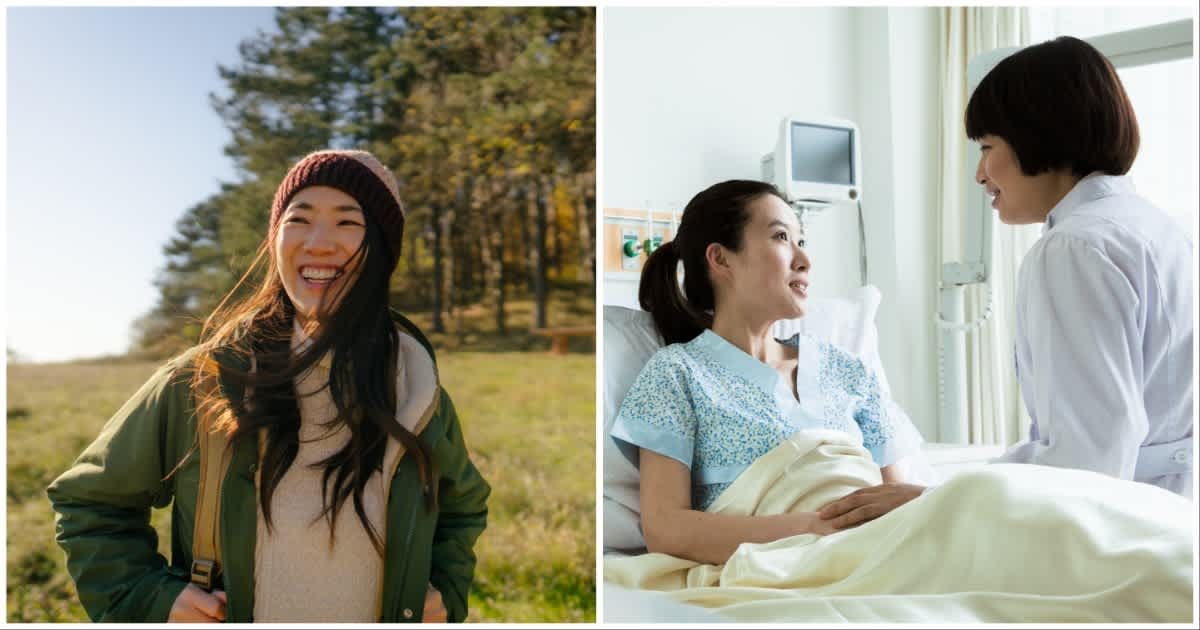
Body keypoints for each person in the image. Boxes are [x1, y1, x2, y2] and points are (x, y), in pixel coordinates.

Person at [47, 149, 491, 622]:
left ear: (382, 250)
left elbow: (462, 508)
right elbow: (90, 503)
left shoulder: (417, 390)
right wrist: (148, 599)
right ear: (276, 239)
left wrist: (446, 589)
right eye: (299, 219)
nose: (319, 242)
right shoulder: (203, 380)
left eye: (348, 223)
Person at [609, 180, 925, 565]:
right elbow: (665, 529)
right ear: (721, 259)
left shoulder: (848, 370)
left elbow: (903, 504)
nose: (804, 260)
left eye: (802, 241)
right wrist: (814, 530)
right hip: (785, 570)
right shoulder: (678, 375)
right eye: (781, 237)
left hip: (886, 555)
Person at [964, 36, 1194, 498]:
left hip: (1121, 525)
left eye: (987, 146)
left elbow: (1086, 459)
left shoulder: (1072, 248)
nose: (980, 173)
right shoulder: (1159, 229)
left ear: (1038, 134)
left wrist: (946, 498)